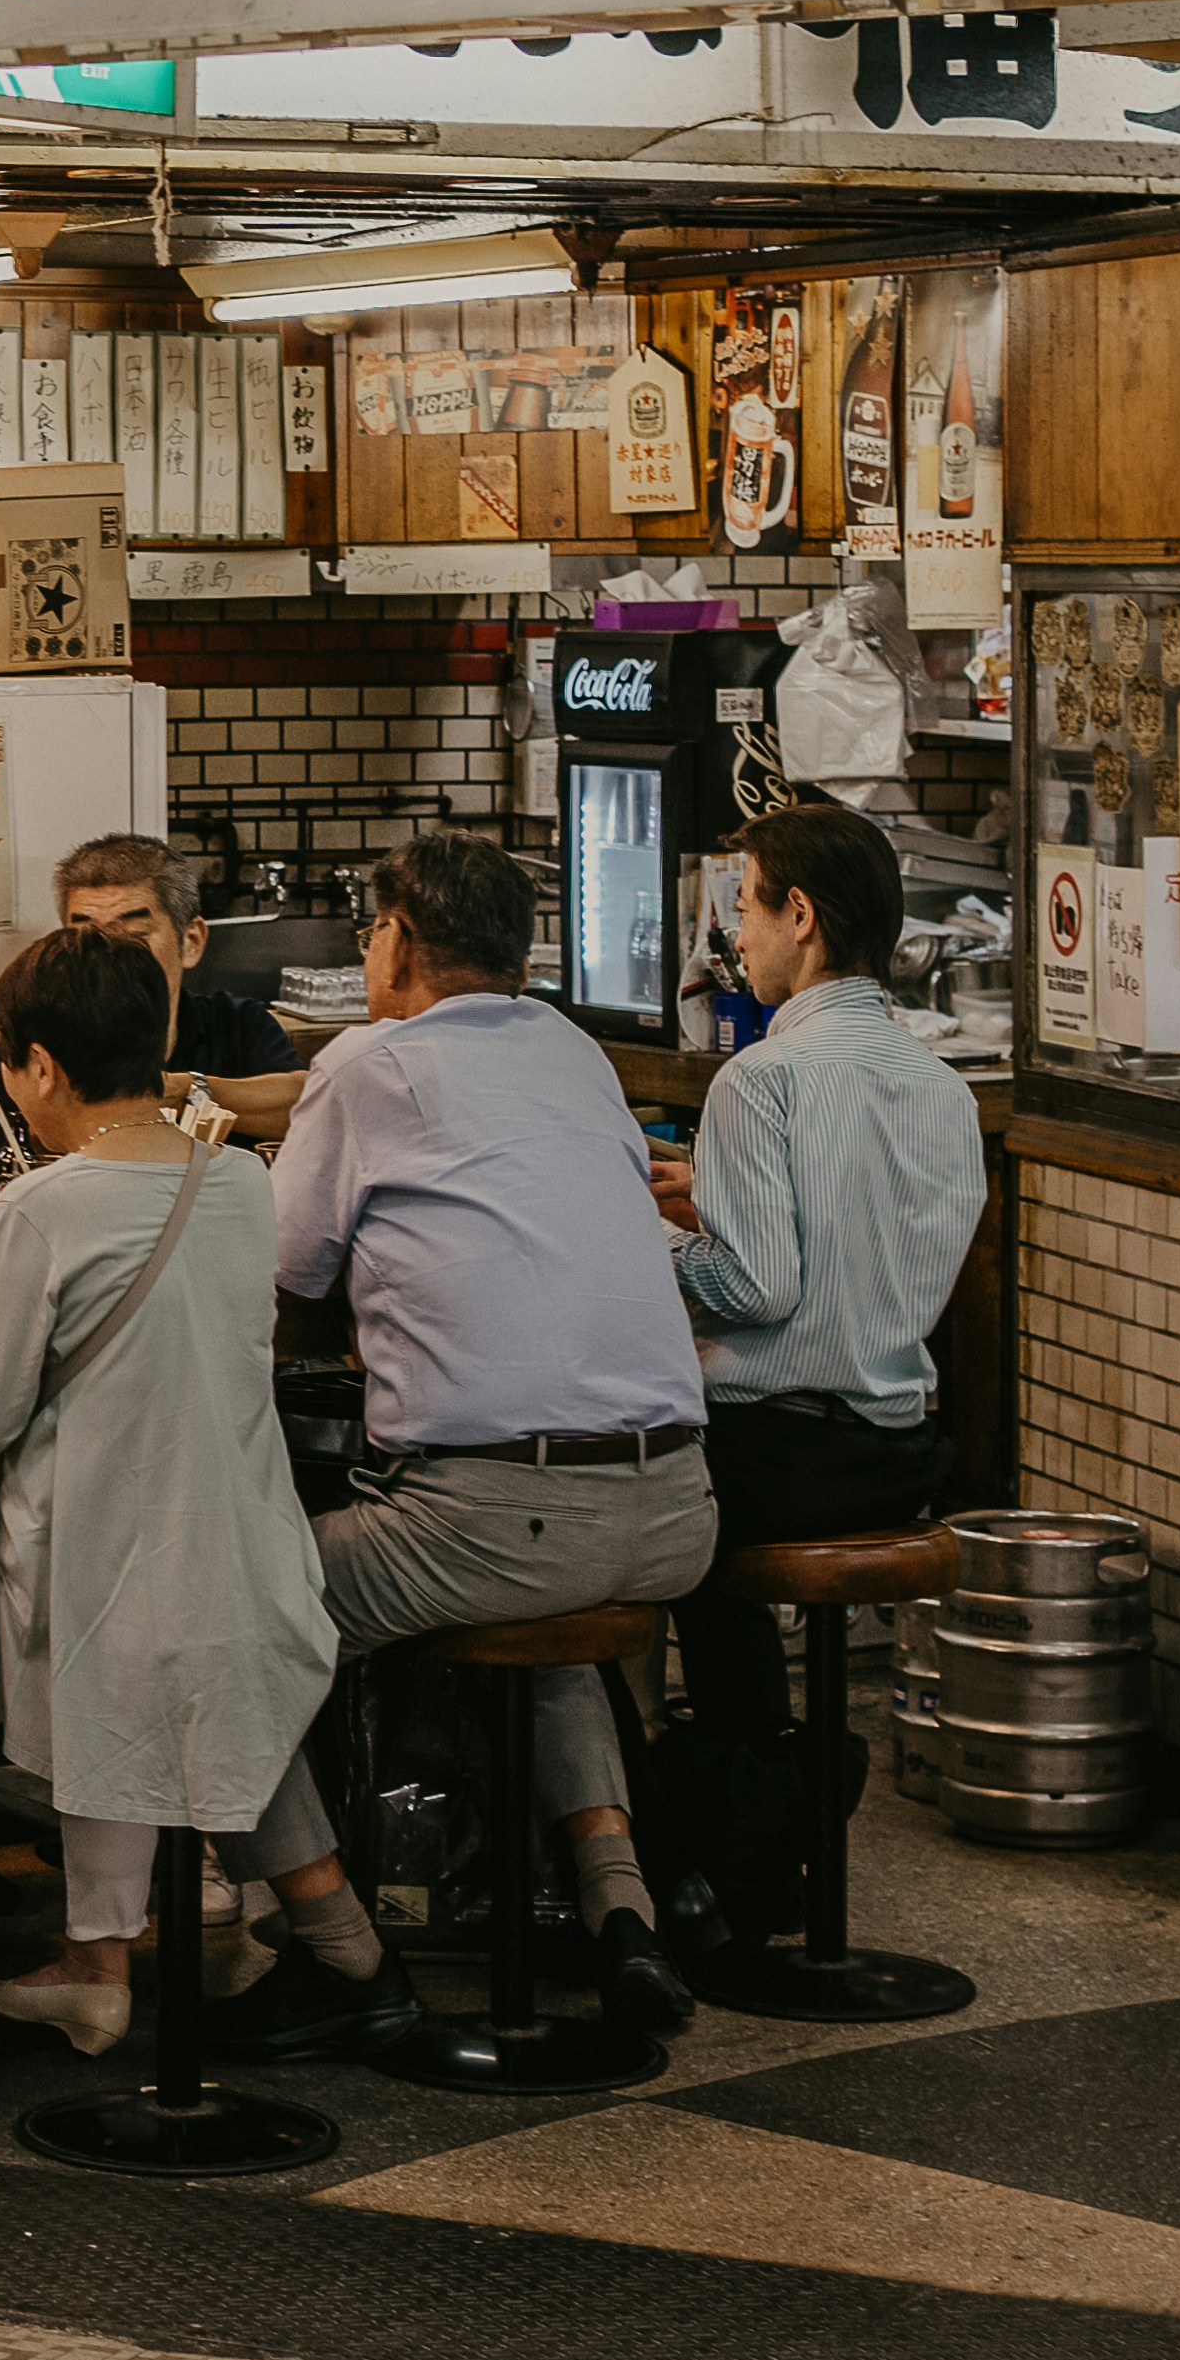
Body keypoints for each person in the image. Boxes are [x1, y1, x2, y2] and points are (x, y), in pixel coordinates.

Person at [206, 829, 717, 2062]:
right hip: (676, 1511)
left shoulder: (370, 1063)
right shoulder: (575, 1050)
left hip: (500, 1519)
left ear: (401, 944)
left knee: (210, 1614)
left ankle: (336, 1948)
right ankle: (620, 1914)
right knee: (545, 1636)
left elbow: (283, 1268)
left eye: (372, 932)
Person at [0, 928, 335, 2069]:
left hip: (84, 1579)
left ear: (36, 1065)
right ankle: (96, 1961)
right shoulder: (237, 1182)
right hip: (244, 1572)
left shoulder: (42, 1206)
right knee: (122, 1696)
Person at [647, 801, 988, 1936]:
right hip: (898, 1447)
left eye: (743, 905)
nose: (735, 934)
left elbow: (754, 1290)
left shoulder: (761, 1077)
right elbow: (864, 1244)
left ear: (800, 914)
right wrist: (715, 1201)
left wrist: (644, 1239)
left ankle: (730, 1816)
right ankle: (783, 1779)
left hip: (773, 1453)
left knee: (632, 1519)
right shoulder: (939, 1083)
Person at [0, 832, 304, 1171]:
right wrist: (48, 1128)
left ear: (191, 941)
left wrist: (184, 1089)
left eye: (135, 938)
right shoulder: (37, 1044)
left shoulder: (236, 1024)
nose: (110, 959)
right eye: (86, 938)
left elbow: (310, 1107)